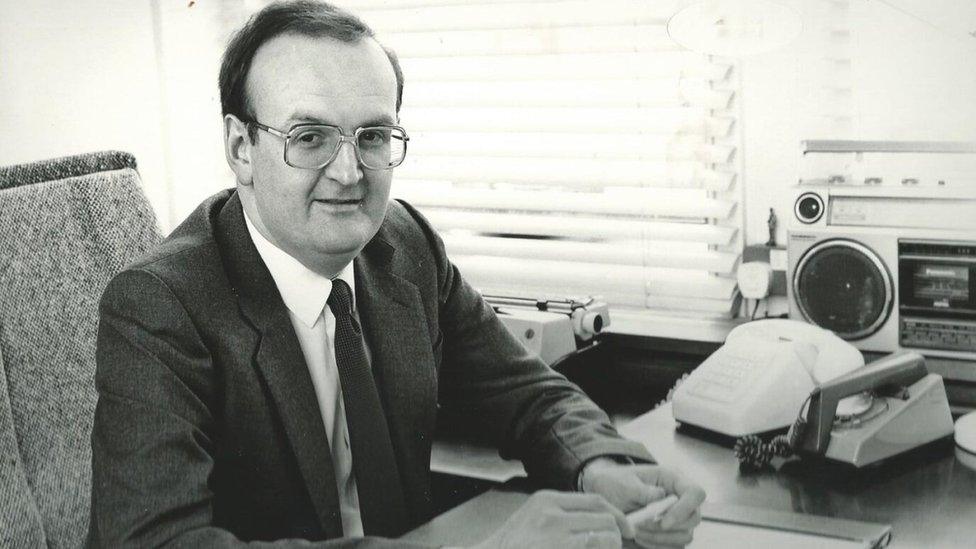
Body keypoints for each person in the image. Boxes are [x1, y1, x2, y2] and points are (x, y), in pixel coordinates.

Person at [88, 1, 705, 547]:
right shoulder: (161, 305)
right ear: (241, 149)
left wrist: (598, 467)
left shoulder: (402, 244)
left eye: (374, 135)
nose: (350, 172)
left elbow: (525, 394)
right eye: (309, 137)